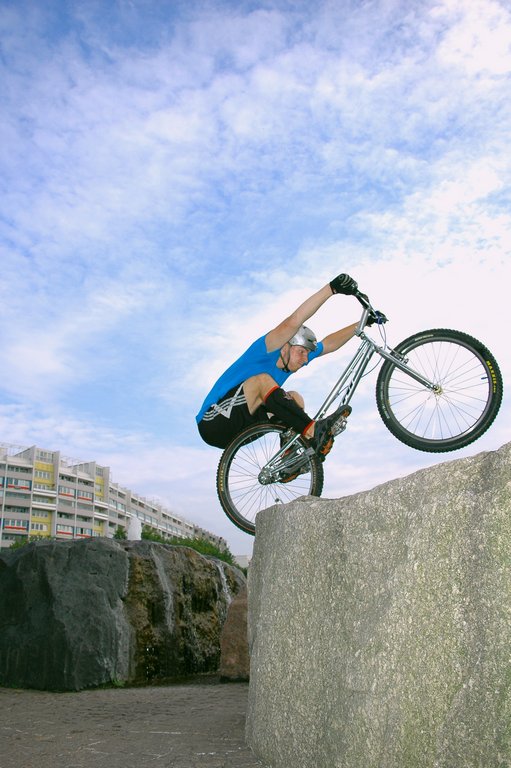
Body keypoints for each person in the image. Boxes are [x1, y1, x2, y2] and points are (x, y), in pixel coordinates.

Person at [196, 272, 361, 457]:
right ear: (285, 347)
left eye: (307, 354)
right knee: (262, 381)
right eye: (301, 352)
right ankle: (312, 430)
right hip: (213, 422)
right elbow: (294, 321)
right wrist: (332, 289)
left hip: (241, 429)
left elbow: (329, 344)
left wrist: (363, 322)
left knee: (294, 399)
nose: (305, 359)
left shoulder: (297, 356)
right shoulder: (267, 348)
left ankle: (288, 455)